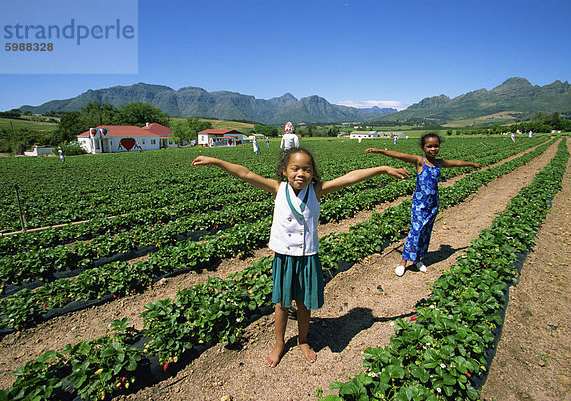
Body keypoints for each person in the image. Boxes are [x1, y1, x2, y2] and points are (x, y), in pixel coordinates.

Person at [191, 148, 409, 367]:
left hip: (307, 258)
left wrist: (383, 168)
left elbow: (350, 178)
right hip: (284, 258)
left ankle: (302, 341)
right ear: (285, 171)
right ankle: (279, 344)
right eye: (295, 168)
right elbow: (245, 174)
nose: (300, 174)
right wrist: (216, 161)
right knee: (282, 304)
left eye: (307, 169)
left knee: (304, 305)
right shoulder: (277, 188)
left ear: (313, 173)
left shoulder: (316, 191)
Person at [365, 133, 480, 277]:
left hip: (433, 203)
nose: (433, 149)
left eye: (436, 146)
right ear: (423, 147)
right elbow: (399, 155)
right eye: (429, 146)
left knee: (426, 232)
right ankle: (403, 262)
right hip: (420, 204)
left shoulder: (439, 163)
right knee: (416, 231)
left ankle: (419, 259)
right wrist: (380, 151)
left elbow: (456, 163)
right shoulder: (420, 162)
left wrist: (472, 164)